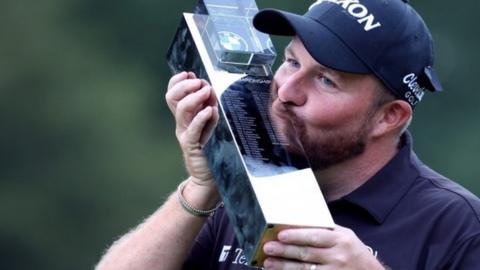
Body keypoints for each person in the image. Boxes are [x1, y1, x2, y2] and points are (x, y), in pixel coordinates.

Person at [96, 0, 480, 269]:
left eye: (326, 80)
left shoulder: (456, 225)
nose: (286, 91)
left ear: (389, 117)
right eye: (291, 61)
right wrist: (202, 185)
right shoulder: (244, 189)